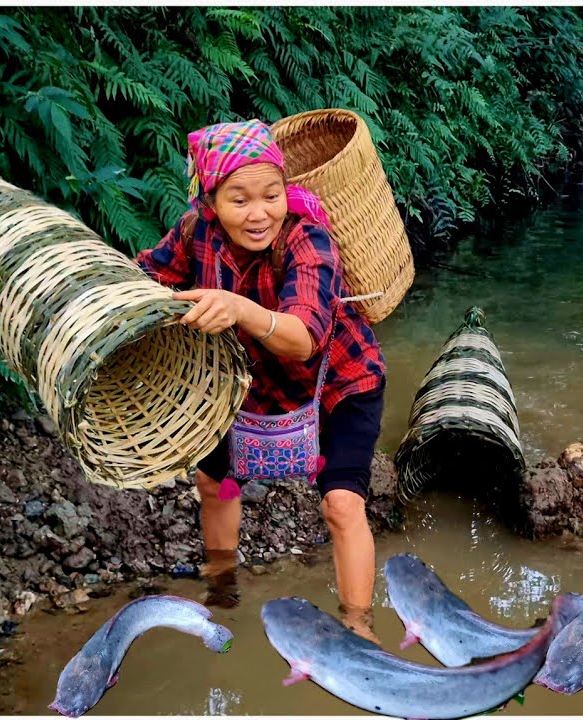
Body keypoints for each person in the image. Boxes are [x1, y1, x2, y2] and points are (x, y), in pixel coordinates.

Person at [137, 120, 387, 642]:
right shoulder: (193, 232)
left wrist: (237, 307)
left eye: (272, 194)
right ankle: (222, 590)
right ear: (210, 201)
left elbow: (304, 339)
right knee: (215, 482)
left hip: (340, 379)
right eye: (239, 199)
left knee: (342, 503)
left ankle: (358, 629)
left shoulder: (307, 238)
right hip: (247, 382)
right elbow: (146, 279)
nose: (259, 214)